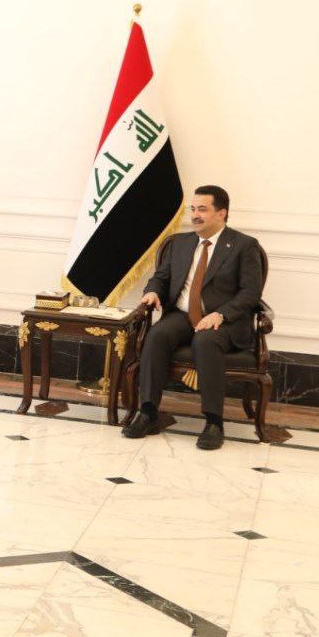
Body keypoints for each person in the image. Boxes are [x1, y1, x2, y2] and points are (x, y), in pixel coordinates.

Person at [122, 185, 264, 450]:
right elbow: (161, 277)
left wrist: (221, 313)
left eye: (203, 209)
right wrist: (152, 291)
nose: (195, 215)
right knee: (157, 335)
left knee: (205, 341)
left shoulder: (244, 246)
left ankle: (213, 422)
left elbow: (251, 293)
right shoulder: (180, 243)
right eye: (193, 209)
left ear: (221, 213)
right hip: (182, 315)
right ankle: (148, 413)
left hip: (223, 321)